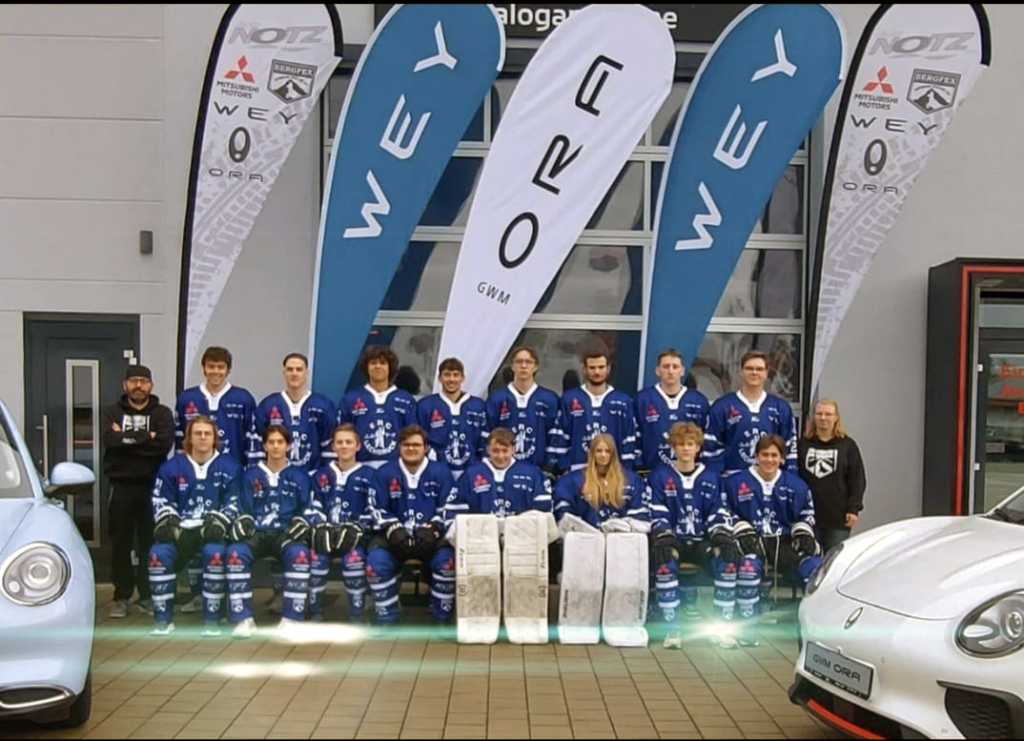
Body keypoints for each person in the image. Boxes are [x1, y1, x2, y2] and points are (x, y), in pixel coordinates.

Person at [720, 434, 821, 648]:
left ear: (782, 458)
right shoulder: (734, 482)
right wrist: (741, 528)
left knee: (814, 568)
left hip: (783, 541)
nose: (769, 460)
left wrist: (803, 532)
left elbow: (807, 514)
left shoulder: (796, 485)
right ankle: (746, 629)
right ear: (756, 456)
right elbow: (724, 511)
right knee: (748, 567)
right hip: (750, 539)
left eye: (774, 455)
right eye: (764, 455)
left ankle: (813, 629)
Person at [147, 415, 242, 635]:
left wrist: (217, 523)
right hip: (180, 533)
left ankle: (212, 620)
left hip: (212, 533)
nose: (202, 437)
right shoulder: (171, 467)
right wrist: (173, 526)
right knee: (157, 555)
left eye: (207, 433)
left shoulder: (230, 467)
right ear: (189, 438)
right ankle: (163, 620)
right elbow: (161, 501)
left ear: (215, 438)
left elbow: (235, 503)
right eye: (197, 433)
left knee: (215, 554)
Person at [223, 425, 317, 639]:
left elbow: (310, 508)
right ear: (264, 446)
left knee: (299, 555)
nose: (275, 446)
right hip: (256, 533)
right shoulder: (250, 475)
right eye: (271, 442)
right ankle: (243, 619)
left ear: (288, 446)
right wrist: (241, 521)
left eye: (280, 442)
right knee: (236, 554)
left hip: (286, 533)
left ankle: (291, 618)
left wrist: (304, 521)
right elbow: (240, 507)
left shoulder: (300, 476)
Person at [647, 423, 736, 643]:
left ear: (698, 447)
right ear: (673, 447)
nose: (685, 449)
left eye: (690, 444)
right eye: (680, 444)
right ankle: (671, 628)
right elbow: (656, 509)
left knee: (727, 562)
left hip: (701, 541)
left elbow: (717, 510)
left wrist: (720, 534)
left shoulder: (711, 477)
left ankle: (722, 629)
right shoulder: (660, 475)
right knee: (664, 564)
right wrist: (663, 535)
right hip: (673, 540)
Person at [101, 364, 175, 619]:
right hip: (121, 486)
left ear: (151, 385)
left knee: (150, 543)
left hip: (152, 487)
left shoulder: (162, 414)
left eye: (143, 381)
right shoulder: (112, 412)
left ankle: (146, 596)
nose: (139, 386)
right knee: (120, 543)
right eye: (134, 381)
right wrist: (146, 436)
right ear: (125, 385)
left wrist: (126, 438)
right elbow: (109, 441)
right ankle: (121, 596)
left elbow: (162, 445)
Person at [366, 425, 456, 625]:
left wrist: (434, 528)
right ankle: (387, 616)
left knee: (448, 564)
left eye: (416, 445)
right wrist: (392, 527)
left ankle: (441, 616)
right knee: (376, 564)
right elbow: (374, 506)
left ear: (425, 447)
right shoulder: (384, 472)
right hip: (394, 537)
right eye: (406, 445)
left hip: (431, 538)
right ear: (399, 446)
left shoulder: (441, 472)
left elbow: (451, 505)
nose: (411, 448)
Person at [308, 424, 377, 623]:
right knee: (316, 559)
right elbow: (312, 506)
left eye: (349, 442)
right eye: (340, 442)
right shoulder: (320, 475)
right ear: (333, 446)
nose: (344, 446)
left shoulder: (370, 475)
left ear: (358, 445)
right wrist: (320, 525)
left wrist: (358, 528)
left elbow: (374, 509)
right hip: (325, 537)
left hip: (355, 539)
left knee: (353, 561)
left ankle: (357, 614)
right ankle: (314, 611)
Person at [705, 350, 798, 476]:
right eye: (749, 368)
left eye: (759, 369)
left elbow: (789, 448)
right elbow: (712, 449)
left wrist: (789, 479)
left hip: (769, 481)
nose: (754, 372)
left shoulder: (781, 408)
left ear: (766, 373)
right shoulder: (722, 406)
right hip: (733, 480)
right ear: (741, 372)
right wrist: (715, 481)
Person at [548, 348, 639, 473]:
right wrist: (562, 467)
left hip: (612, 472)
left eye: (601, 367)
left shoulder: (623, 401)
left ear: (608, 369)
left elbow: (628, 439)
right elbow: (561, 437)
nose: (597, 372)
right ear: (584, 369)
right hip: (578, 470)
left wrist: (625, 470)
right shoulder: (569, 399)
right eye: (592, 368)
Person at [444, 427, 553, 527]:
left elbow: (543, 514)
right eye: (495, 450)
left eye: (505, 451)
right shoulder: (470, 475)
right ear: (488, 449)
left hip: (521, 536)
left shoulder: (532, 474)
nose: (500, 456)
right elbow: (454, 514)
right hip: (481, 538)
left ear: (513, 449)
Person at [798, 398, 866, 553]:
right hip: (808, 515)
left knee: (834, 559)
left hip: (838, 518)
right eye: (819, 413)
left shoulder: (848, 446)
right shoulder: (803, 444)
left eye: (828, 414)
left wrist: (854, 508)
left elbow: (857, 479)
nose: (823, 418)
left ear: (836, 417)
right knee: (810, 559)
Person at [251, 353, 336, 473]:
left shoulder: (323, 406)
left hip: (311, 475)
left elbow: (330, 448)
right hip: (277, 477)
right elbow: (258, 444)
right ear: (284, 373)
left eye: (299, 369)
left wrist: (322, 477)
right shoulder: (268, 405)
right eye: (290, 369)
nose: (294, 373)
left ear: (307, 373)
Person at [553, 433, 650, 535]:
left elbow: (642, 521)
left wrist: (624, 525)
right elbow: (566, 520)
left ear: (613, 454)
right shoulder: (573, 481)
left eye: (607, 451)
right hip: (587, 538)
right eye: (599, 451)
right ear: (592, 453)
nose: (603, 455)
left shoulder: (631, 480)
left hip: (621, 538)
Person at [338, 345, 418, 468]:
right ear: (366, 367)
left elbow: (412, 435)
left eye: (383, 363)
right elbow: (343, 434)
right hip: (360, 466)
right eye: (373, 363)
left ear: (390, 367)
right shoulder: (351, 398)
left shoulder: (405, 400)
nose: (378, 366)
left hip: (396, 468)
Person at [175, 346, 256, 466]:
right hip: (194, 469)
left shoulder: (243, 398)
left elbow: (252, 438)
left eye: (221, 367)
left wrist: (251, 470)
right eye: (211, 366)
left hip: (234, 470)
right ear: (204, 368)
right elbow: (180, 439)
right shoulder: (186, 398)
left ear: (228, 370)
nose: (216, 371)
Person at [483, 346, 560, 471]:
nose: (523, 366)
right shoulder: (497, 398)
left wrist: (549, 466)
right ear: (512, 366)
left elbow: (554, 436)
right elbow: (488, 434)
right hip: (503, 469)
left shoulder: (549, 399)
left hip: (538, 469)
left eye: (528, 362)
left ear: (536, 366)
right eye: (519, 361)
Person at [634, 349, 710, 473]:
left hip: (688, 473)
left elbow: (705, 438)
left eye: (675, 367)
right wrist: (639, 466)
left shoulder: (698, 400)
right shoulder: (642, 399)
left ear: (682, 371)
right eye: (666, 366)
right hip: (651, 472)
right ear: (657, 371)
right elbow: (635, 437)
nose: (670, 371)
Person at [417, 357, 487, 480]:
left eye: (456, 375)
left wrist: (481, 463)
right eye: (447, 375)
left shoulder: (478, 405)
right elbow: (418, 437)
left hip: (471, 472)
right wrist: (431, 456)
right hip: (436, 472)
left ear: (463, 378)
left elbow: (485, 439)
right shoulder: (426, 405)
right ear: (439, 378)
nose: (451, 379)